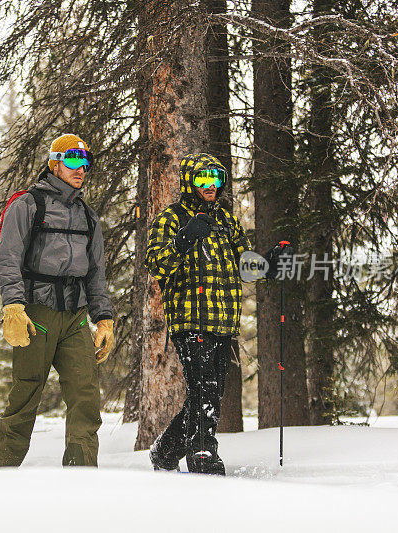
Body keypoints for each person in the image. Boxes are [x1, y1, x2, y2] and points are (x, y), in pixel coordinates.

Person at [0, 133, 114, 467]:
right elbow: (7, 258)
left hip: (74, 316)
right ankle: (0, 472)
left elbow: (96, 271)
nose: (80, 169)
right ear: (54, 163)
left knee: (85, 393)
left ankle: (81, 471)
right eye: (73, 160)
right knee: (26, 393)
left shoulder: (88, 216)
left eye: (85, 162)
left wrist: (103, 318)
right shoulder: (29, 204)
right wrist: (13, 305)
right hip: (37, 314)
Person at [144, 153, 252, 475]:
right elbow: (156, 262)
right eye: (203, 179)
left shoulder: (226, 220)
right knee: (204, 388)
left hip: (223, 321)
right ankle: (203, 456)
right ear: (190, 182)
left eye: (216, 179)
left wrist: (270, 263)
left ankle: (164, 452)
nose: (211, 186)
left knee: (210, 393)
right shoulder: (172, 218)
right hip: (190, 318)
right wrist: (185, 239)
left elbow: (247, 264)